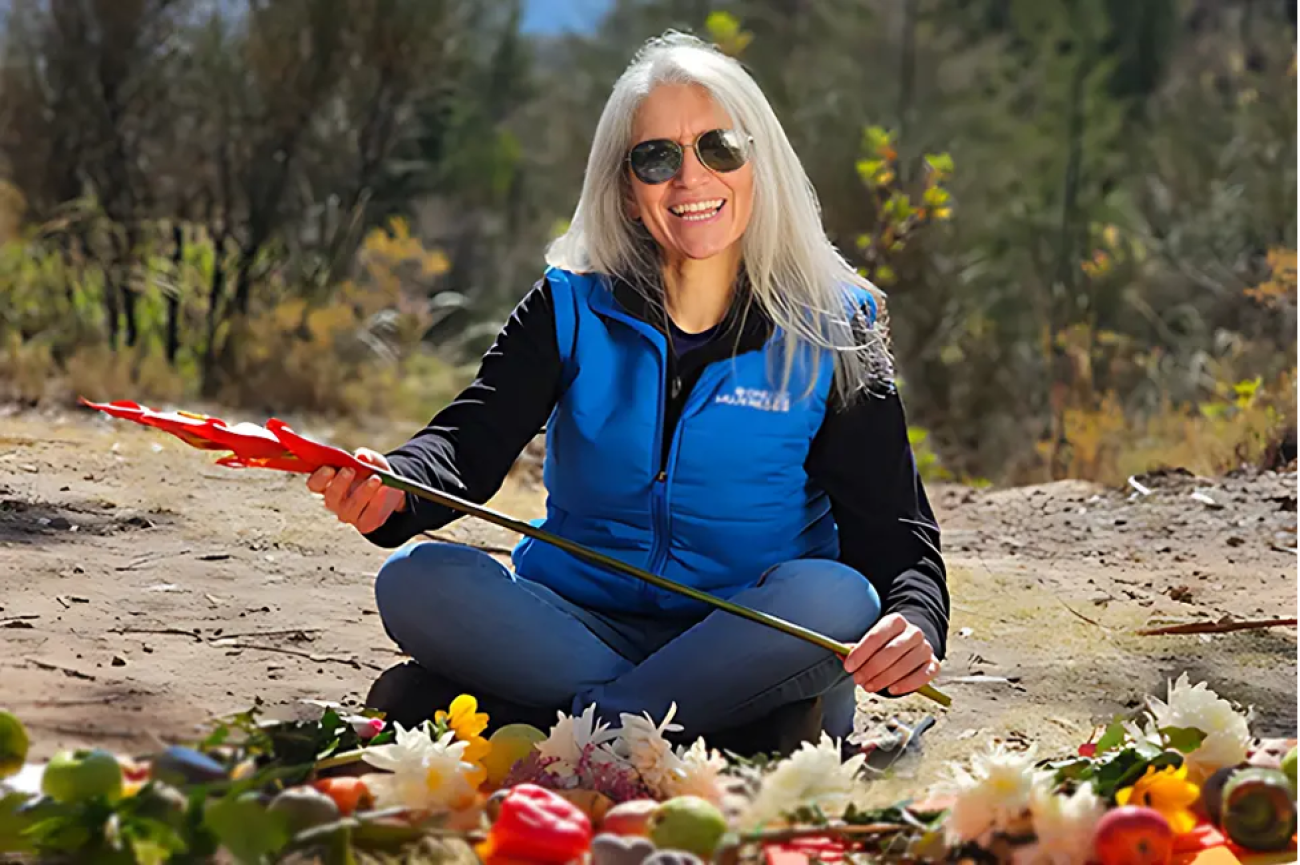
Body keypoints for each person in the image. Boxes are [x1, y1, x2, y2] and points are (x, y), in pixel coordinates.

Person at [307, 32, 949, 755]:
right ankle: (723, 731)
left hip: (750, 633)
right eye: (656, 158)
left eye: (719, 147)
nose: (690, 178)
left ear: (758, 161)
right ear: (624, 185)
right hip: (572, 621)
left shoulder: (836, 326)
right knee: (414, 580)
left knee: (837, 599)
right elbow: (468, 441)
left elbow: (895, 532)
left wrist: (914, 623)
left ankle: (565, 729)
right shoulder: (569, 305)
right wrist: (395, 484)